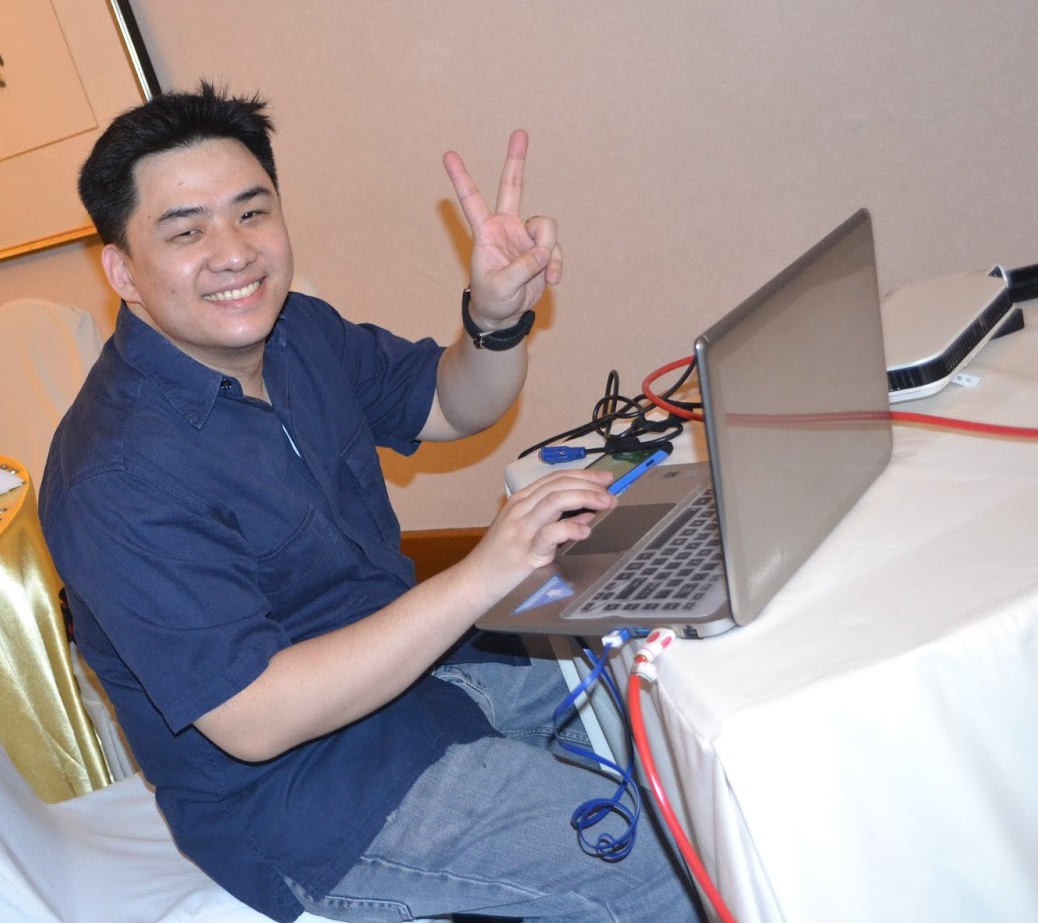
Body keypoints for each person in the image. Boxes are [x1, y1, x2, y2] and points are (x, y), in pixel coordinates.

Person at [40, 84, 703, 923]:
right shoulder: (114, 474)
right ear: (122, 271)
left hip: (435, 680)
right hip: (322, 799)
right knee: (680, 864)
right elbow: (254, 719)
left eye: (252, 213)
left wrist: (497, 318)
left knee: (699, 703)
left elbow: (452, 403)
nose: (233, 252)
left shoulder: (298, 333)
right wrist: (481, 574)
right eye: (186, 231)